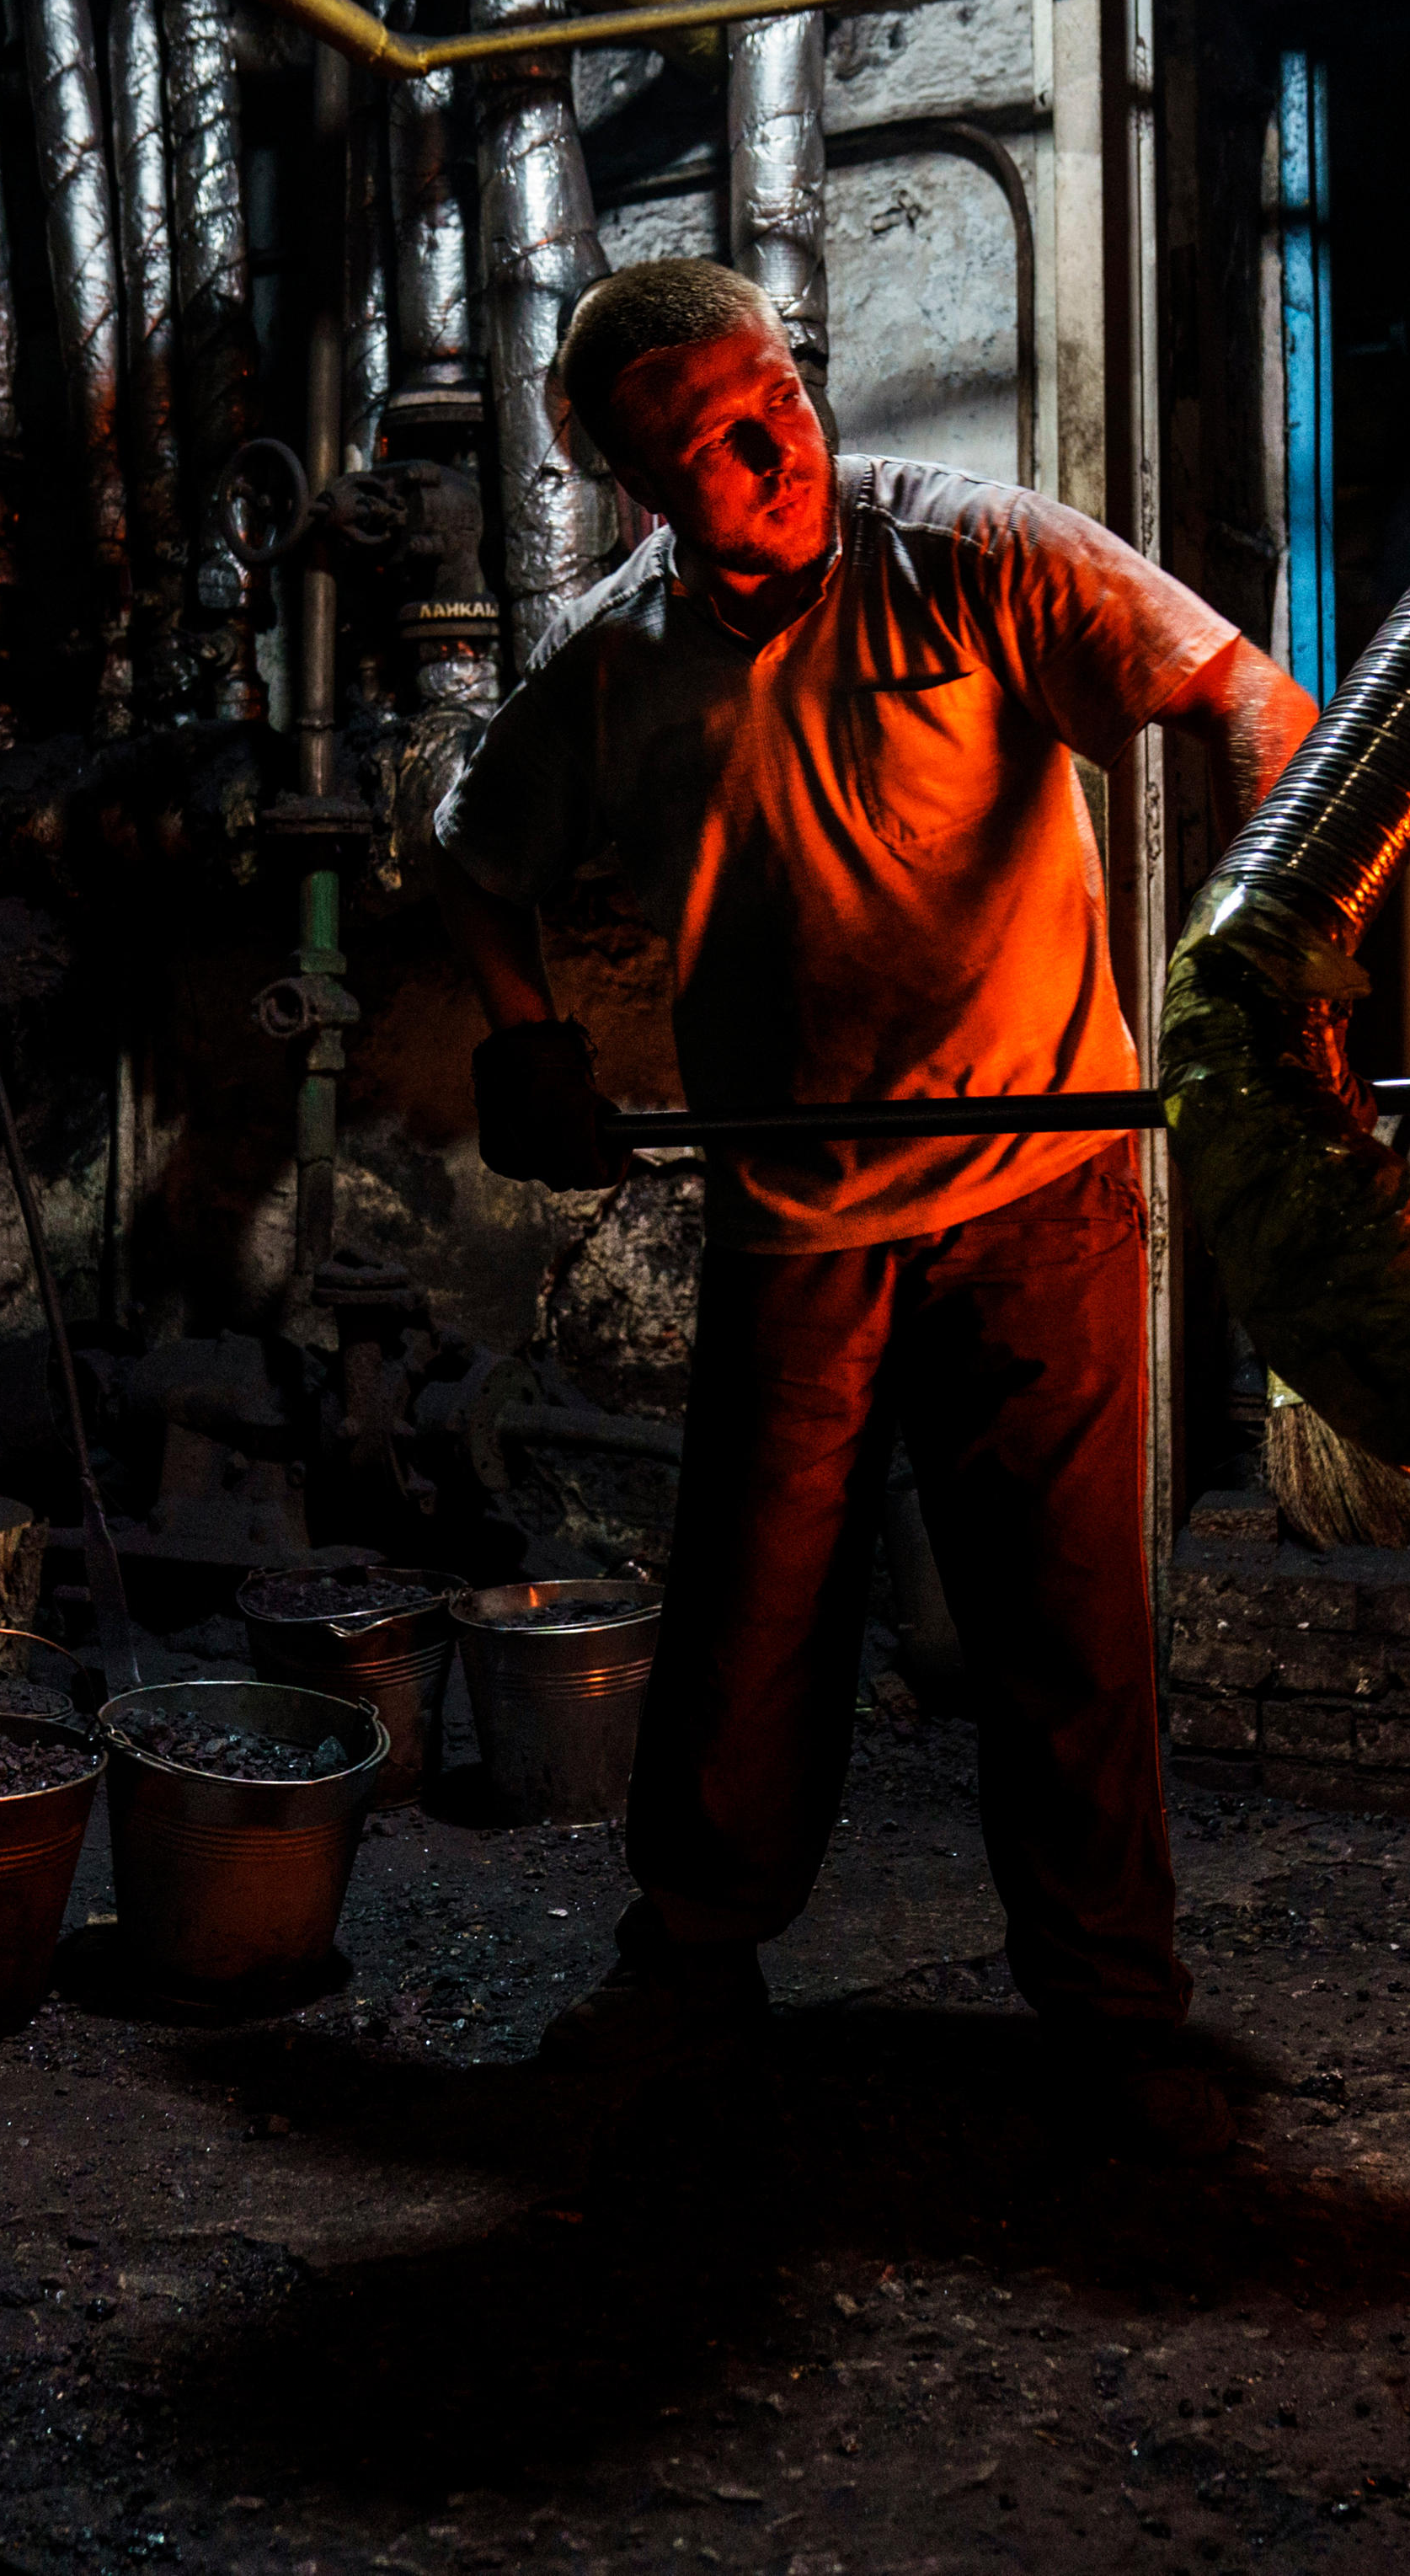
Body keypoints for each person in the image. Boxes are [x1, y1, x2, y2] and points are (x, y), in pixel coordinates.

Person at [426, 259, 1319, 2156]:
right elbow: (472, 862)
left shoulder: (975, 552)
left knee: (1063, 1622)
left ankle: (1110, 2008)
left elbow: (1248, 697)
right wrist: (526, 1044)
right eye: (711, 441)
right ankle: (691, 1957)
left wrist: (1272, 954)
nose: (775, 443)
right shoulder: (618, 659)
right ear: (640, 489)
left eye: (778, 396)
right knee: (749, 1624)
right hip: (793, 1214)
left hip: (1035, 1189)